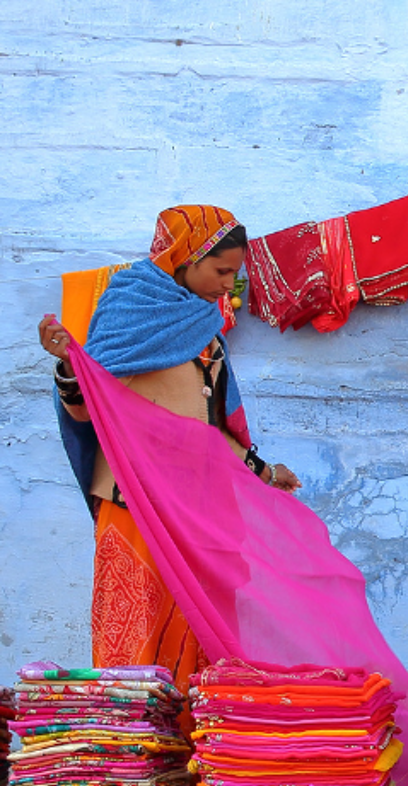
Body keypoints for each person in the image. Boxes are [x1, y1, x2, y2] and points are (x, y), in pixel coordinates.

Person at [37, 205, 301, 695]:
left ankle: (196, 762)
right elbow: (87, 408)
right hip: (134, 505)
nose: (229, 285)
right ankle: (134, 761)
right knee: (133, 637)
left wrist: (263, 471)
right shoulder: (129, 310)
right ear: (186, 256)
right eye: (221, 270)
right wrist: (69, 366)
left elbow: (209, 425)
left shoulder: (203, 325)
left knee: (202, 640)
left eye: (235, 274)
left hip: (200, 509)